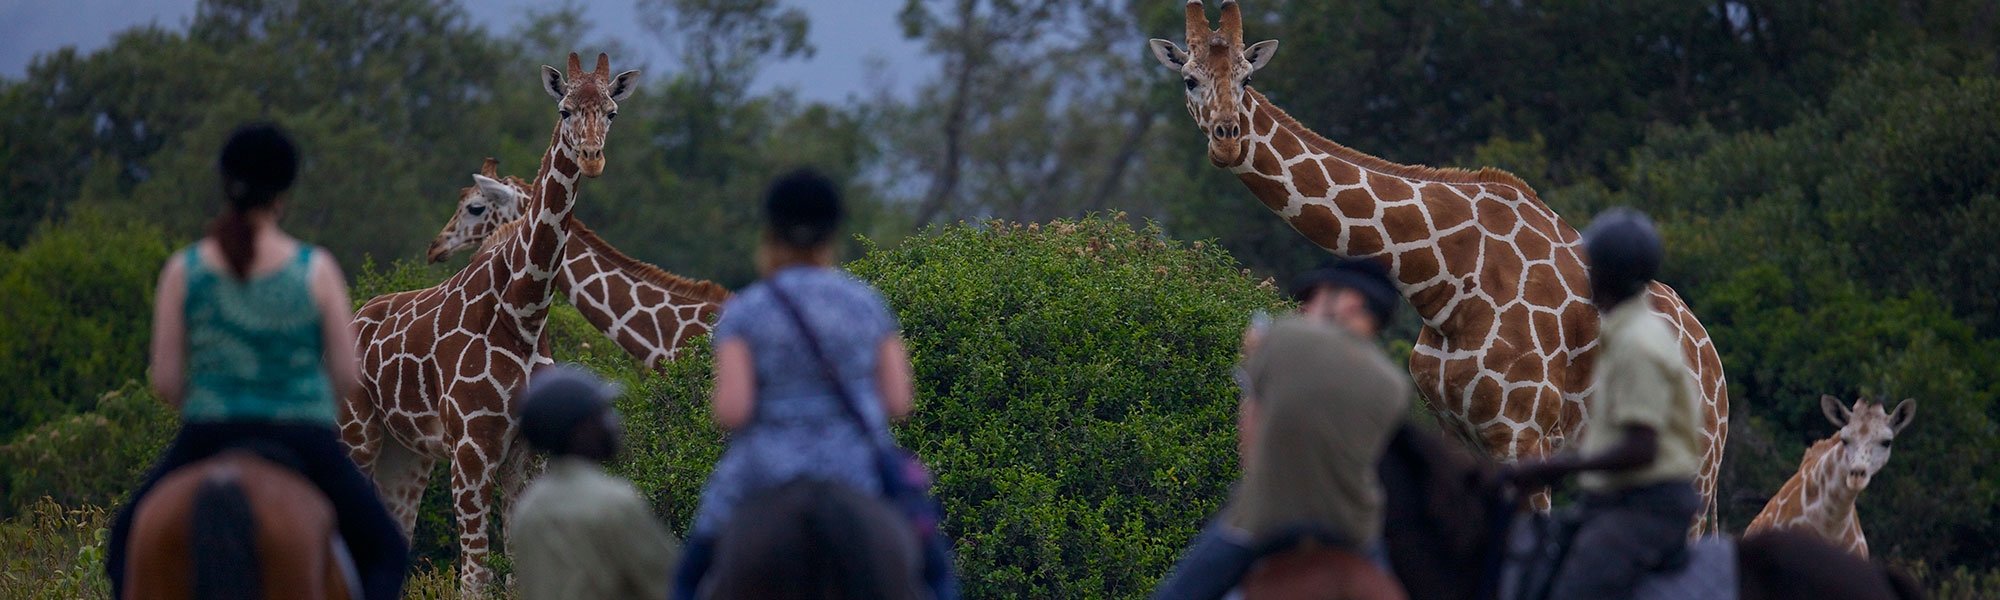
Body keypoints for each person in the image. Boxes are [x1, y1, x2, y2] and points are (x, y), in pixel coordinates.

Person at [107, 123, 408, 599]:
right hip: (302, 435)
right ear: (283, 191)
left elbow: (165, 381)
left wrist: (215, 399)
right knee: (387, 553)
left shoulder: (184, 269)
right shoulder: (316, 268)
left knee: (122, 545)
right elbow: (349, 376)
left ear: (225, 184)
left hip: (208, 432)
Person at [674, 168, 955, 600]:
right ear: (832, 231)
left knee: (686, 582)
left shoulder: (747, 311)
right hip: (857, 471)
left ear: (771, 231)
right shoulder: (866, 302)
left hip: (764, 472)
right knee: (937, 578)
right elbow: (899, 401)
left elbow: (733, 411)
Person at [1151, 258, 1411, 600]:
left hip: (1265, 519)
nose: (1305, 308)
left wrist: (1256, 351)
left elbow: (1249, 434)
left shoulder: (1284, 335)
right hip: (1353, 530)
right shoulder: (1395, 385)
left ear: (1349, 301)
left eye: (1315, 299)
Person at [1504, 208, 1704, 600]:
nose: (1586, 273)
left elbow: (1641, 448)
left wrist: (1558, 465)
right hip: (1618, 501)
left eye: (1591, 265)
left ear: (1606, 274)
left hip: (1647, 508)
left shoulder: (1637, 344)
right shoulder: (1623, 333)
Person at [508, 365, 680, 600]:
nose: (613, 422)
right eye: (602, 413)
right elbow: (670, 585)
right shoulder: (614, 502)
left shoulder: (528, 509)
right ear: (580, 432)